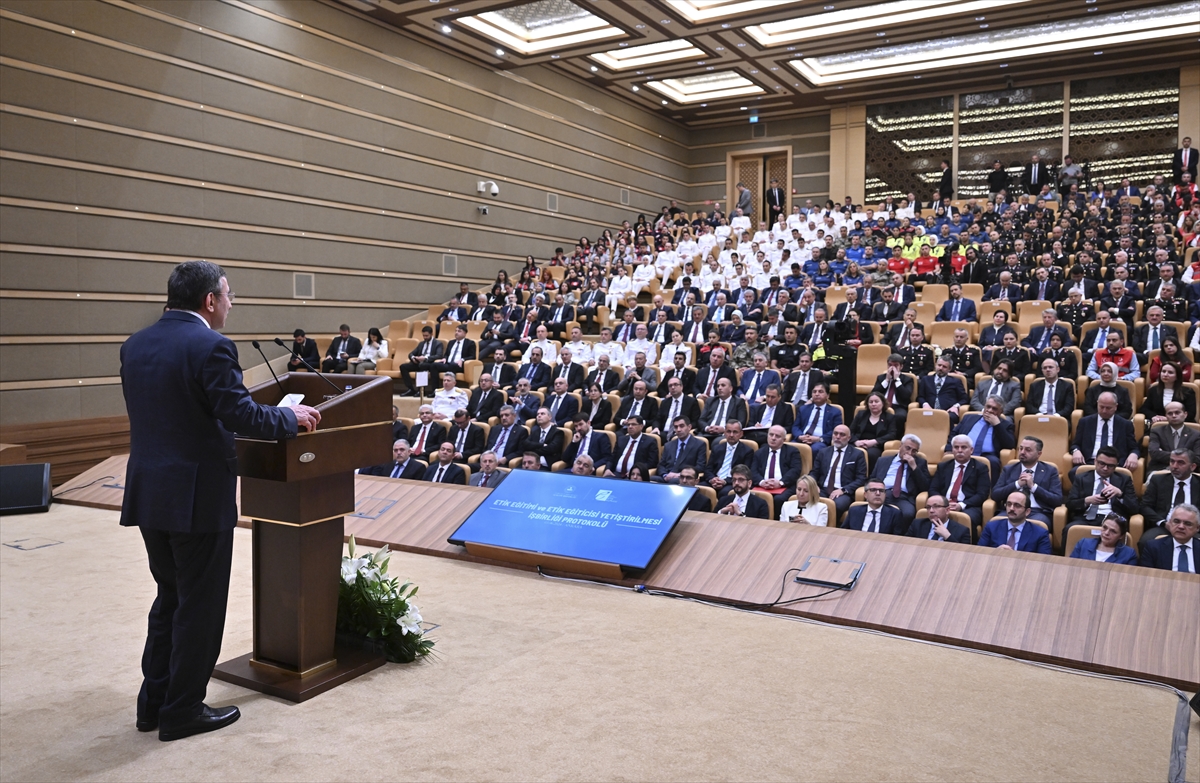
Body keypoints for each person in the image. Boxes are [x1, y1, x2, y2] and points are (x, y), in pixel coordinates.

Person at [120, 260, 321, 741]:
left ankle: (154, 703)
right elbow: (240, 416)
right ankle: (183, 710)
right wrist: (293, 420)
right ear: (210, 301)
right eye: (229, 296)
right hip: (196, 498)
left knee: (169, 597)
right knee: (200, 605)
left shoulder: (136, 345)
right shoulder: (211, 345)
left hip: (151, 493)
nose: (231, 304)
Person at [991, 436, 1063, 528]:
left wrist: (1033, 487)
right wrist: (1017, 484)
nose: (1022, 452)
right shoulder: (1009, 469)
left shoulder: (1050, 471)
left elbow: (1057, 500)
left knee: (1034, 527)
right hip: (1011, 510)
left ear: (1039, 453)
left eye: (1028, 450)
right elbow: (995, 495)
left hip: (1037, 512)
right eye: (1021, 448)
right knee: (994, 525)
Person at [1138, 448, 1200, 545]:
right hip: (1164, 526)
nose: (1174, 466)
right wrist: (1163, 523)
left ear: (1192, 467)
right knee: (1145, 542)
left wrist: (1193, 526)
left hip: (1193, 529)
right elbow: (1145, 506)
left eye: (1180, 463)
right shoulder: (1158, 480)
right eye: (1172, 461)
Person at [928, 435, 989, 533]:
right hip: (942, 504)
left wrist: (961, 505)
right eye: (956, 447)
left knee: (969, 518)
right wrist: (942, 503)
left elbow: (982, 494)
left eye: (964, 447)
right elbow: (933, 489)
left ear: (971, 450)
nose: (959, 450)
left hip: (968, 506)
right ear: (952, 450)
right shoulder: (943, 466)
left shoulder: (980, 468)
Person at [811, 424, 867, 518]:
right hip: (822, 489)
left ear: (849, 438)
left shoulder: (857, 454)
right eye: (835, 433)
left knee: (836, 506)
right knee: (810, 501)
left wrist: (843, 490)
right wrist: (813, 485)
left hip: (843, 491)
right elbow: (814, 472)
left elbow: (861, 479)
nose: (838, 437)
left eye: (842, 434)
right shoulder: (823, 452)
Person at [978, 491, 1052, 554]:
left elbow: (1044, 561)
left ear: (1027, 511)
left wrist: (1016, 556)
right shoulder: (991, 527)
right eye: (1009, 504)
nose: (1012, 508)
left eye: (1017, 505)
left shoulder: (1040, 533)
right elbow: (979, 554)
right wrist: (996, 553)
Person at [1138, 504, 1197, 572]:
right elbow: (1146, 577)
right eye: (1176, 521)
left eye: (1187, 523)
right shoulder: (1153, 548)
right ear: (1170, 523)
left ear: (1197, 528)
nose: (1181, 526)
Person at [1146, 402, 1200, 472]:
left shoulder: (1196, 434)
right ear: (1166, 416)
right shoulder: (1157, 431)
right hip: (1160, 469)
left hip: (1186, 472)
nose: (1174, 416)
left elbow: (1197, 459)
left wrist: (1164, 453)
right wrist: (1184, 458)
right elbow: (1154, 453)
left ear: (1185, 414)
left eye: (1177, 413)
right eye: (1170, 413)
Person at [849, 392, 896, 469]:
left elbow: (892, 434)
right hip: (858, 443)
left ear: (883, 403)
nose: (873, 404)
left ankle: (870, 478)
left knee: (871, 454)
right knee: (849, 451)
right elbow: (850, 431)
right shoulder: (861, 414)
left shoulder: (889, 417)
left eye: (876, 401)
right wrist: (856, 442)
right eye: (871, 402)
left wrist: (874, 441)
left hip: (875, 446)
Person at [1068, 513, 1138, 564]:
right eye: (1104, 527)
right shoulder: (1083, 543)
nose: (1106, 533)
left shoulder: (1129, 554)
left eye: (1113, 531)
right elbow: (1071, 567)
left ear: (1121, 536)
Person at [907, 495, 971, 544]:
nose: (931, 511)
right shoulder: (917, 524)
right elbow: (905, 545)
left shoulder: (962, 531)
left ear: (947, 510)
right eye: (928, 507)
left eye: (936, 506)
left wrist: (948, 537)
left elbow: (963, 554)